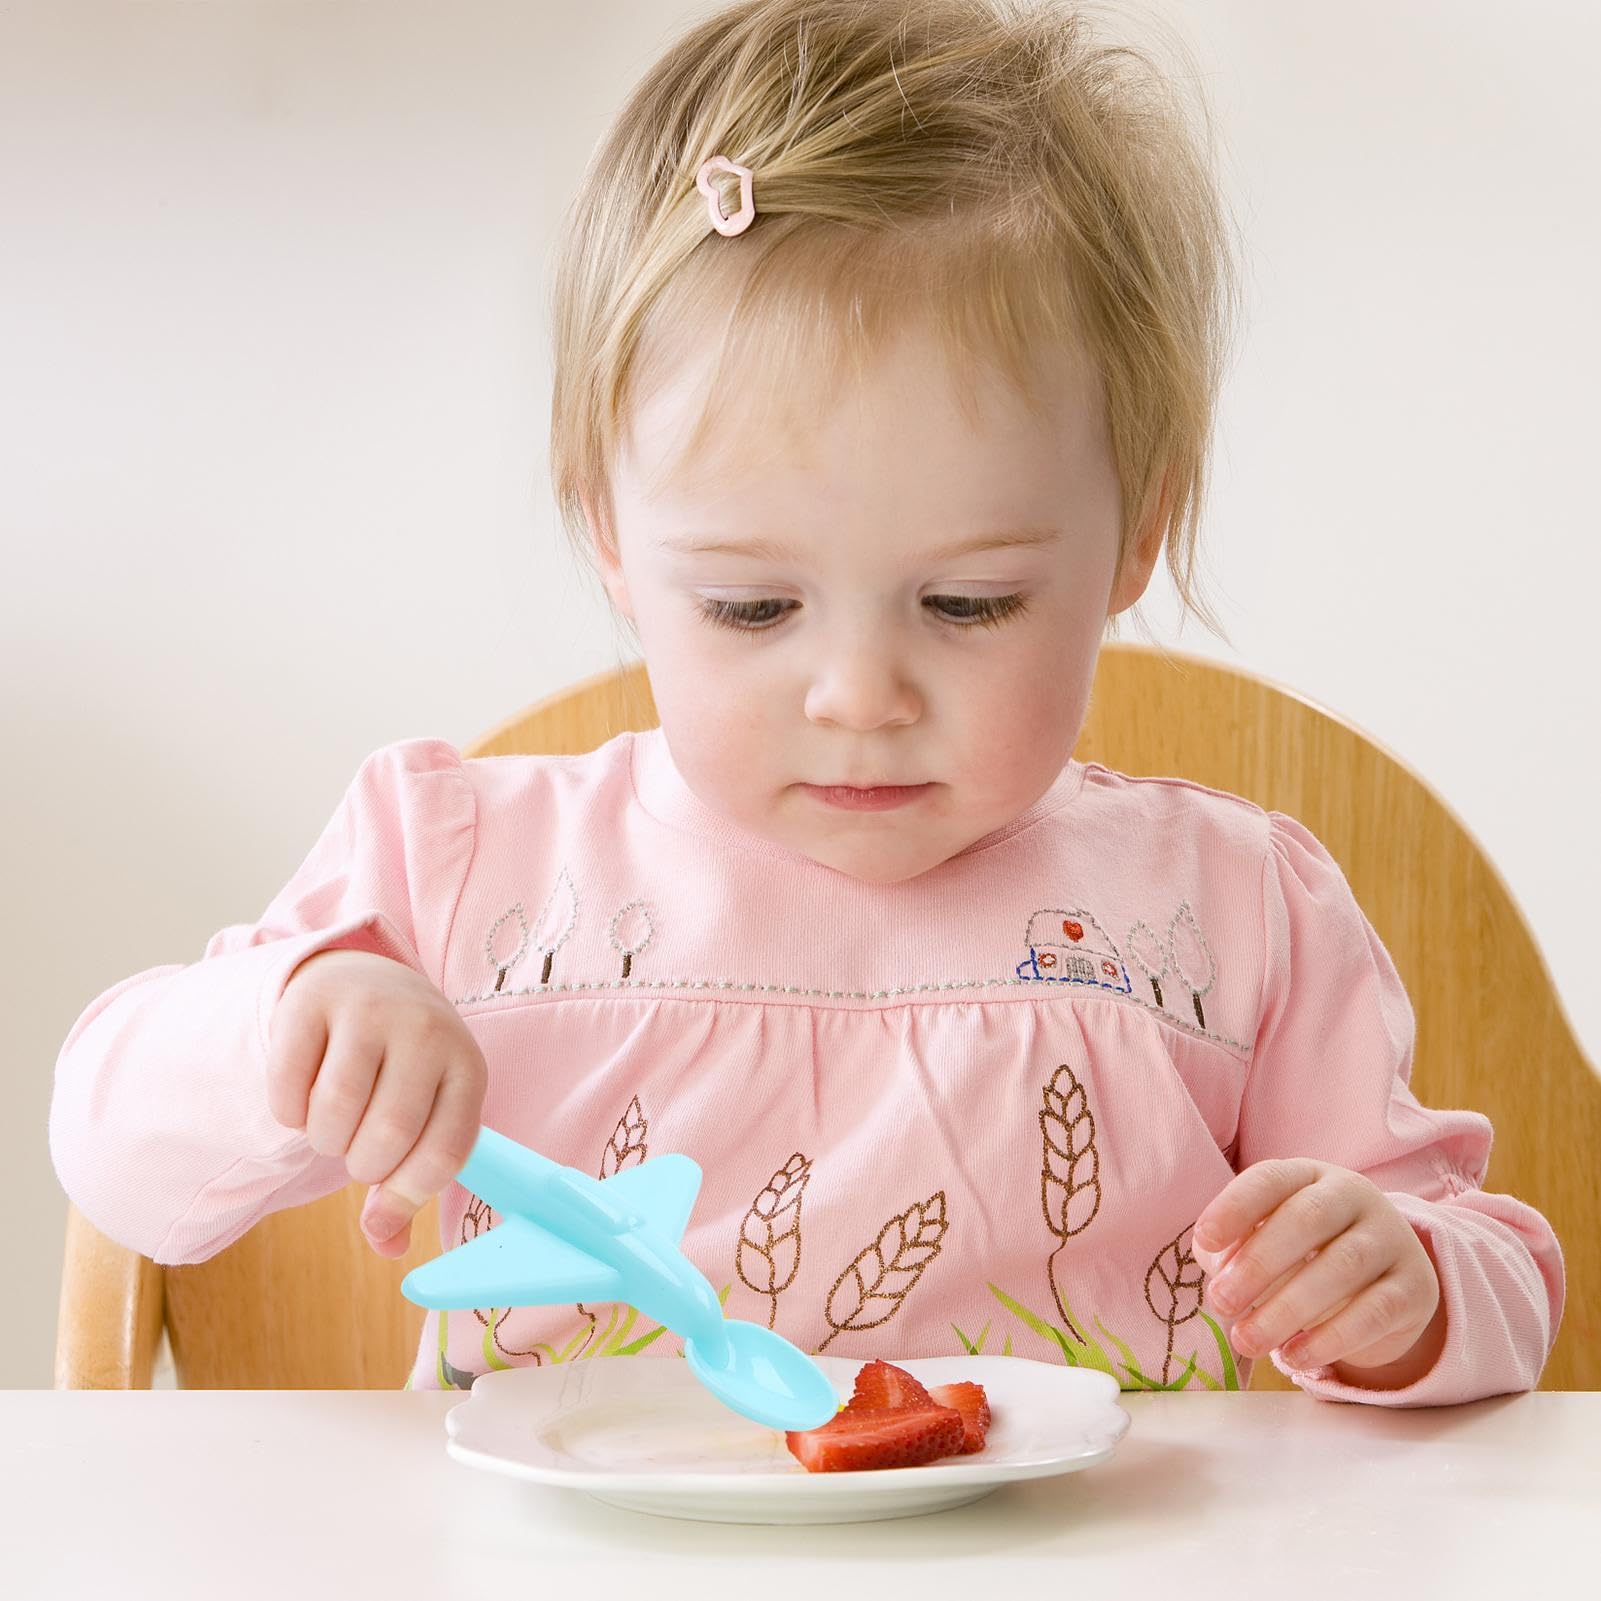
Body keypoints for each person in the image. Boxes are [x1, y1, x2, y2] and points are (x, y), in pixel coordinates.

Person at [50, 0, 1562, 1402]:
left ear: (1135, 533)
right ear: (610, 537)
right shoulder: (462, 868)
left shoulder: (1229, 915)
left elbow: (1494, 1271)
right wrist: (285, 1030)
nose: (857, 693)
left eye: (968, 603)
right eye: (749, 606)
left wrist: (1406, 1288)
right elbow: (110, 1151)